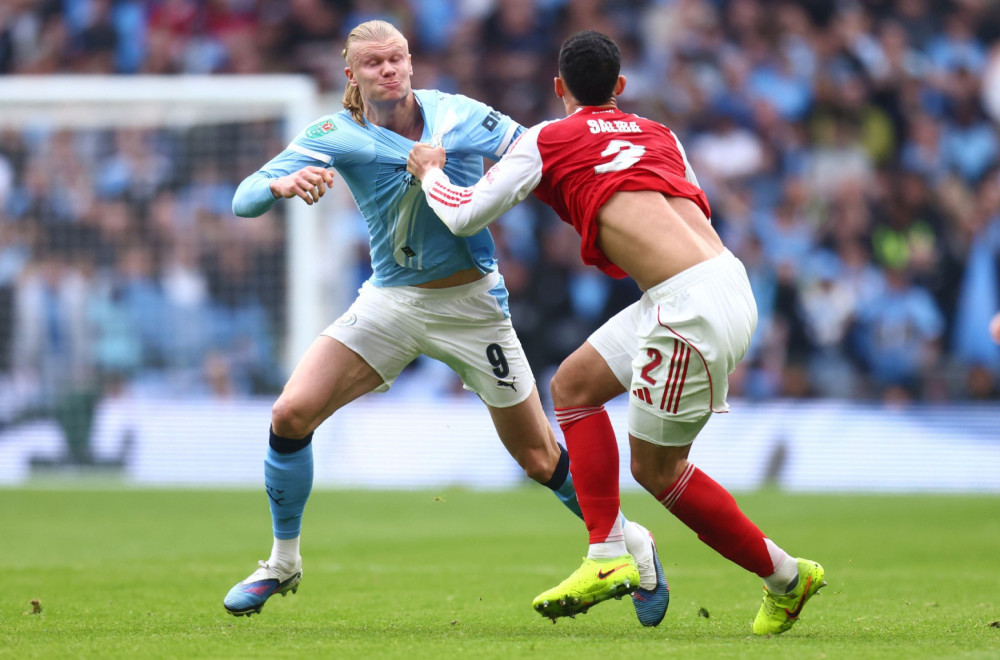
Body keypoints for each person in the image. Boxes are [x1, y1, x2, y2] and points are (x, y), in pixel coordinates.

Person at [222, 20, 667, 626]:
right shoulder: (334, 133)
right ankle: (282, 562)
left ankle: (633, 543)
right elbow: (242, 197)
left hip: (473, 308)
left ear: (411, 62)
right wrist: (279, 183)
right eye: (375, 62)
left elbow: (536, 155)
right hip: (390, 303)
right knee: (289, 414)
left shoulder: (457, 115)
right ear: (351, 74)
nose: (390, 69)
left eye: (398, 58)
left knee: (539, 459)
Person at [407, 30, 826, 635]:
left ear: (558, 88)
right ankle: (606, 553)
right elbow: (691, 207)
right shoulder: (661, 133)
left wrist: (430, 170)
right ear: (620, 88)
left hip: (688, 307)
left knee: (658, 472)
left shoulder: (547, 137)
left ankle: (787, 577)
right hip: (713, 280)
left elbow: (463, 211)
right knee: (574, 385)